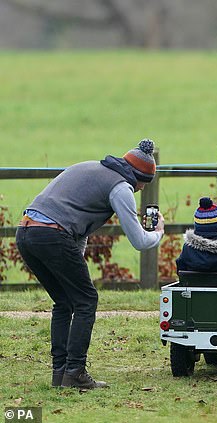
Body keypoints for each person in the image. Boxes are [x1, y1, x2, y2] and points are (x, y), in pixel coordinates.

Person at [15, 139, 165, 389]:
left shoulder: (89, 167)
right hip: (52, 234)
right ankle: (75, 372)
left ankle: (60, 373)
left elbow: (79, 224)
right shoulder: (121, 187)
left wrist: (75, 261)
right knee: (86, 300)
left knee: (64, 301)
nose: (138, 191)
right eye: (141, 186)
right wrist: (159, 232)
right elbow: (139, 241)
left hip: (26, 232)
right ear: (139, 179)